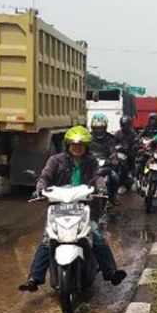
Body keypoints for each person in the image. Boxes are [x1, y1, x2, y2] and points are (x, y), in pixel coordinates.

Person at [18, 125, 126, 292]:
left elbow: (97, 177)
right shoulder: (55, 160)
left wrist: (102, 188)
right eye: (74, 145)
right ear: (67, 145)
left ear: (87, 147)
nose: (77, 148)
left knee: (96, 235)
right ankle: (34, 278)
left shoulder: (91, 162)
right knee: (48, 239)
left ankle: (110, 272)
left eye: (81, 145)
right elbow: (45, 177)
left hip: (84, 206)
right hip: (59, 207)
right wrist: (39, 189)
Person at [89, 113, 120, 205]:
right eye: (96, 128)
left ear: (105, 127)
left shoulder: (110, 139)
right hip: (91, 164)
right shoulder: (88, 138)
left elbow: (113, 150)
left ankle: (113, 196)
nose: (98, 130)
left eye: (101, 128)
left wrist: (114, 158)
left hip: (106, 165)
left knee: (115, 178)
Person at [114, 116, 138, 191]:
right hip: (119, 154)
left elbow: (136, 142)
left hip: (129, 153)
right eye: (123, 125)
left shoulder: (133, 134)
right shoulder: (118, 133)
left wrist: (134, 146)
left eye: (126, 125)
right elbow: (112, 143)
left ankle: (132, 176)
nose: (124, 127)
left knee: (132, 160)